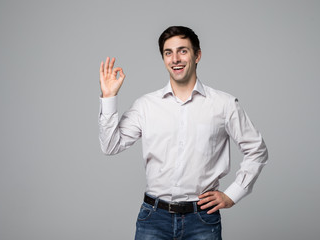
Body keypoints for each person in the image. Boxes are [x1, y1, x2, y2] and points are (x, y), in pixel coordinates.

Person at [98, 26, 268, 240]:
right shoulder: (145, 106)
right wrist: (109, 97)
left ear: (197, 55)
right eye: (168, 53)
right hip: (153, 218)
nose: (175, 59)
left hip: (202, 220)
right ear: (163, 58)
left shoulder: (224, 104)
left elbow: (257, 150)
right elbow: (110, 145)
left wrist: (233, 194)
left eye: (183, 51)